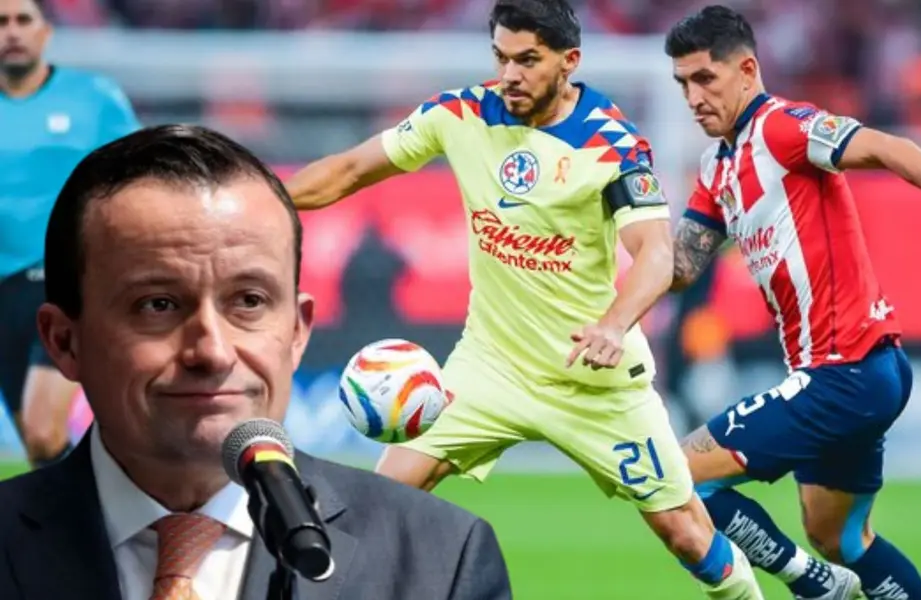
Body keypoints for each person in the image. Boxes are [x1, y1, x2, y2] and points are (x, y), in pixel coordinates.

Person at [285, 1, 764, 597]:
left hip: (592, 380)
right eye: (501, 57)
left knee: (685, 533)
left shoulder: (609, 143)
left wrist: (615, 326)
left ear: (569, 62)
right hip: (491, 366)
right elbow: (351, 169)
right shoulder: (459, 114)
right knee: (377, 507)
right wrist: (255, 196)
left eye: (528, 60)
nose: (510, 74)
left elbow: (657, 254)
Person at [0, 124, 512, 600]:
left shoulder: (441, 560)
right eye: (158, 305)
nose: (213, 351)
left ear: (296, 332)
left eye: (248, 302)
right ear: (64, 342)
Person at [663, 6, 921, 600]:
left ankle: (814, 586)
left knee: (680, 475)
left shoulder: (782, 127)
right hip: (861, 374)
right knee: (841, 538)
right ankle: (832, 576)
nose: (692, 96)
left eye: (704, 78)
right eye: (682, 83)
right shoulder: (718, 167)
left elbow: (890, 146)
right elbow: (681, 267)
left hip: (845, 370)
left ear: (747, 70)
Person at [0, 0, 140, 468]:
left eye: (23, 20)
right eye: (1, 23)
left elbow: (135, 174)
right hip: (4, 291)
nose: (12, 32)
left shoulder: (93, 98)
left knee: (43, 429)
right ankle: (87, 524)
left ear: (46, 32)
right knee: (39, 447)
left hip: (64, 277)